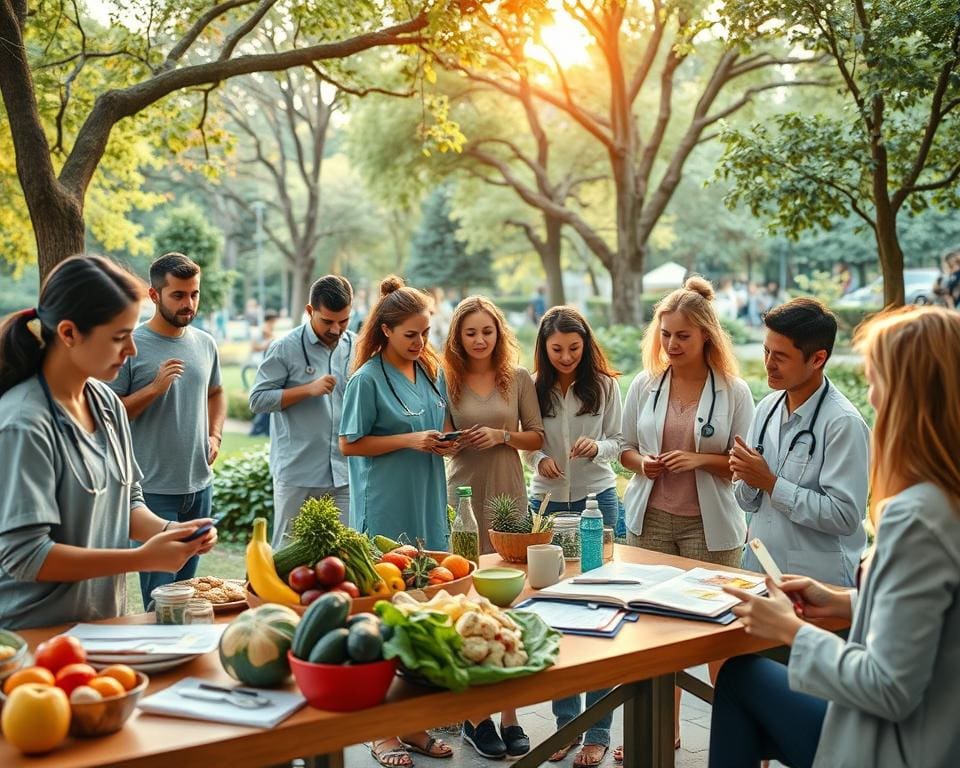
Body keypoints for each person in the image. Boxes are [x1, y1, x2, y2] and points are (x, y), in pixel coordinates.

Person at [709, 305, 960, 768]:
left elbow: (889, 688)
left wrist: (791, 629)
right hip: (786, 576)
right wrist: (848, 602)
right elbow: (940, 620)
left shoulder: (915, 513)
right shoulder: (945, 500)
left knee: (740, 679)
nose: (872, 396)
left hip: (898, 745)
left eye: (875, 380)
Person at [0, 256, 216, 630]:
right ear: (69, 333)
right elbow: (25, 556)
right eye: (119, 337)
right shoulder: (23, 423)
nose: (132, 349)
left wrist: (168, 532)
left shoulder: (106, 404)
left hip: (102, 628)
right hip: (36, 636)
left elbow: (127, 501)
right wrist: (140, 559)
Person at [619, 276, 755, 755]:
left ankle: (733, 738)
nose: (671, 345)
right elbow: (624, 448)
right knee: (657, 634)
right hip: (651, 520)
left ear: (706, 338)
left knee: (717, 640)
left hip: (710, 526)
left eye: (682, 336)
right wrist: (643, 463)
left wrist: (699, 460)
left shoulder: (734, 392)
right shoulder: (645, 384)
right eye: (665, 334)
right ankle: (664, 730)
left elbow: (744, 464)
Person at [339, 276, 457, 768]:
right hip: (385, 506)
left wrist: (447, 440)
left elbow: (439, 424)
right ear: (386, 331)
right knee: (383, 617)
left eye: (426, 332)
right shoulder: (365, 380)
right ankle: (380, 732)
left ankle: (414, 724)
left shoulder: (430, 373)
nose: (421, 342)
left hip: (427, 499)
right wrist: (410, 441)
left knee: (423, 609)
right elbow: (349, 443)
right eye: (412, 333)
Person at [442, 296, 543, 760]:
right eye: (470, 333)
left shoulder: (518, 378)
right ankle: (475, 717)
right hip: (462, 497)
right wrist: (454, 442)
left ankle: (510, 714)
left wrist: (503, 436)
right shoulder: (448, 379)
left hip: (508, 496)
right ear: (458, 338)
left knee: (508, 604)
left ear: (498, 333)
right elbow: (440, 441)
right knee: (467, 604)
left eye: (487, 331)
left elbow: (536, 436)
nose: (480, 340)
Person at [524, 306, 622, 768]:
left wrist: (597, 446)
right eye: (557, 348)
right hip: (545, 504)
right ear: (544, 347)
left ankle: (598, 731)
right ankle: (566, 725)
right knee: (554, 613)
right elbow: (526, 440)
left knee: (600, 608)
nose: (565, 356)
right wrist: (538, 460)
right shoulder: (531, 385)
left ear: (586, 345)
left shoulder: (604, 385)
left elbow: (620, 442)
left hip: (597, 501)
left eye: (574, 348)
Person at [109, 252, 226, 607]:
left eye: (194, 293)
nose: (188, 303)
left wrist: (215, 434)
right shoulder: (131, 346)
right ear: (154, 295)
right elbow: (109, 416)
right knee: (161, 600)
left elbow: (216, 393)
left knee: (188, 597)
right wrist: (154, 390)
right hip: (153, 493)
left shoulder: (205, 343)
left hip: (199, 487)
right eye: (178, 295)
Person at [730, 297, 869, 588]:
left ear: (818, 359)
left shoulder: (842, 423)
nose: (768, 364)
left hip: (820, 582)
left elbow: (845, 516)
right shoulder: (767, 408)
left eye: (780, 356)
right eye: (766, 351)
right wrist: (747, 478)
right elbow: (745, 500)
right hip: (760, 572)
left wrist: (770, 482)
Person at [249, 277, 356, 547]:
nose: (336, 329)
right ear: (310, 311)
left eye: (343, 321)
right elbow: (258, 400)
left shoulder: (356, 346)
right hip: (298, 471)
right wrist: (308, 390)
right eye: (327, 321)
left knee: (340, 553)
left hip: (344, 471)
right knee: (288, 551)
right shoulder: (284, 348)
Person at [247, 309, 279, 437]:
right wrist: (268, 343)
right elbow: (255, 347)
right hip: (262, 366)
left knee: (267, 397)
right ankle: (257, 429)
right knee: (265, 397)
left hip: (265, 366)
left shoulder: (267, 330)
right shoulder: (265, 330)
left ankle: (263, 429)